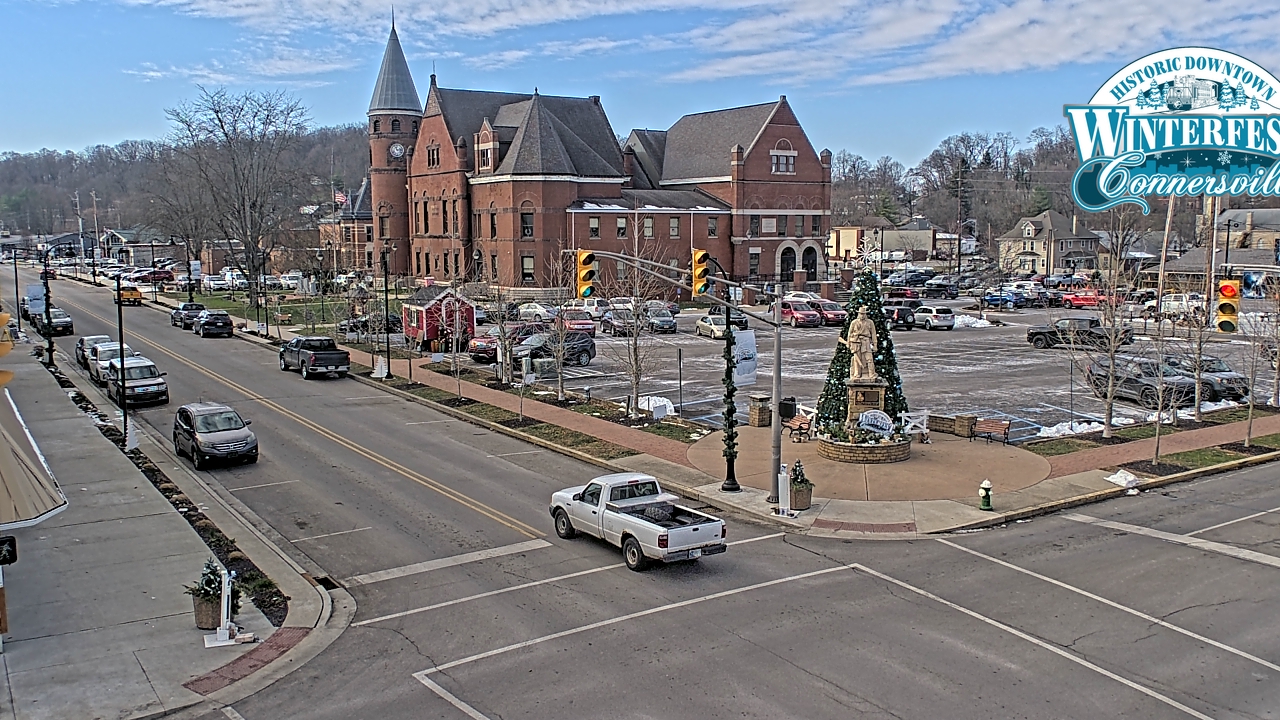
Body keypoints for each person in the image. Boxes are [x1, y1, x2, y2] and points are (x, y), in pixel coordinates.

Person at [840, 307, 878, 381]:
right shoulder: (854, 322)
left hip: (866, 341)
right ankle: (857, 374)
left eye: (864, 314)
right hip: (856, 342)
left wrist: (875, 345)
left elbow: (873, 334)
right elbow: (849, 333)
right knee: (857, 359)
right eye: (861, 314)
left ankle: (871, 374)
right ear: (858, 314)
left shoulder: (870, 322)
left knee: (869, 359)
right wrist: (848, 343)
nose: (862, 315)